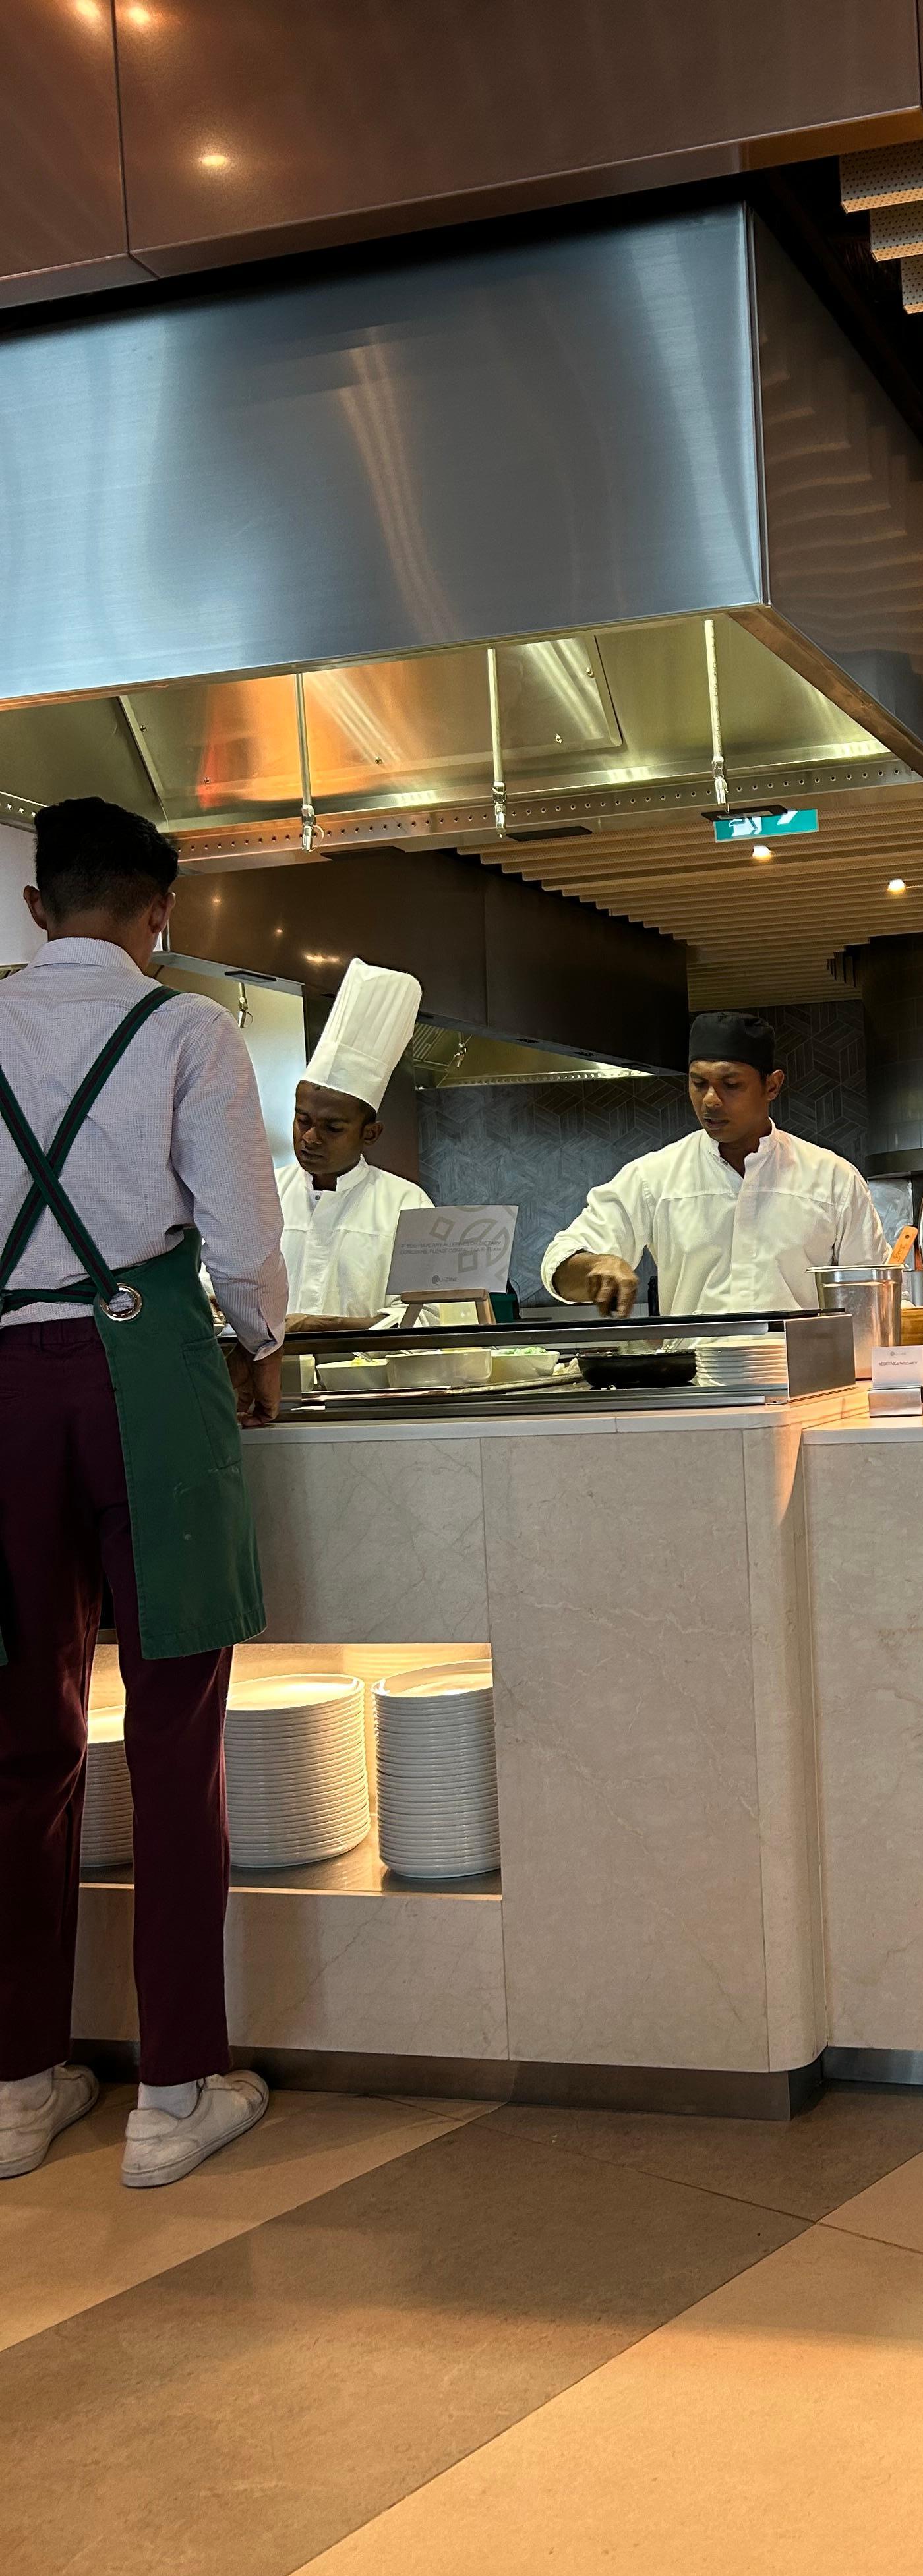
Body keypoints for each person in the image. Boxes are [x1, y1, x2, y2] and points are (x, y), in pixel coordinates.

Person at [0, 797, 285, 2189]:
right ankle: (173, 2092)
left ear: (39, 905)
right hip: (149, 1377)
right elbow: (239, 1232)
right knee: (173, 1731)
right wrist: (264, 1339)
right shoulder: (187, 1030)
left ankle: (13, 2088)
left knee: (17, 1736)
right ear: (156, 911)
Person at [543, 1010, 891, 1316]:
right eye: (698, 1083)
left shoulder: (832, 1178)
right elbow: (559, 1263)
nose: (710, 1100)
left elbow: (877, 1294)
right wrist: (598, 1266)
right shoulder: (655, 1177)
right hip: (697, 1385)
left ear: (772, 1085)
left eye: (731, 1084)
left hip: (806, 1382)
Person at [280, 959, 432, 1329]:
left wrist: (322, 1329)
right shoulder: (261, 1194)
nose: (310, 1138)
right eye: (303, 1120)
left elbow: (429, 1315)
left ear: (370, 1134)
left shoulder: (406, 1204)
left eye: (332, 1127)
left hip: (371, 1383)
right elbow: (214, 1292)